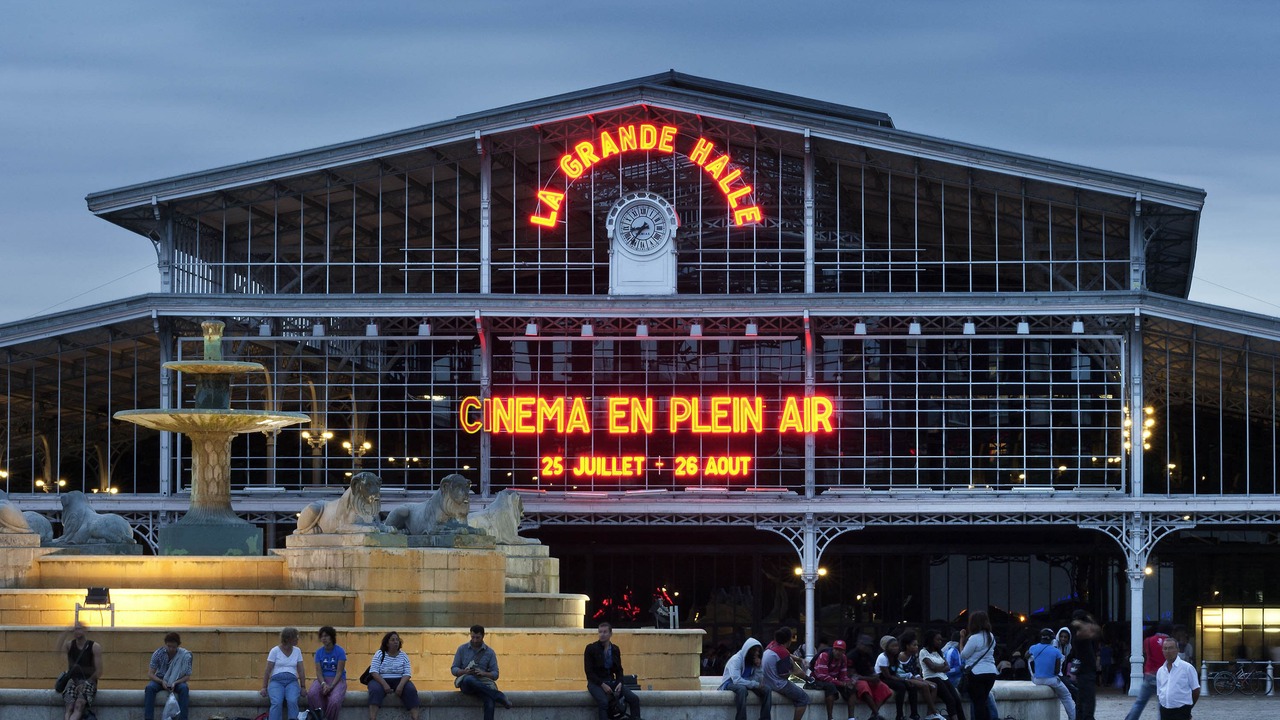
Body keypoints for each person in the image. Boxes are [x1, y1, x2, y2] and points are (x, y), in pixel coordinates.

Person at [452, 624, 512, 720]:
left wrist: (483, 673)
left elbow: (495, 674)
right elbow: (454, 669)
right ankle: (498, 696)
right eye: (473, 637)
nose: (475, 640)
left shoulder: (490, 652)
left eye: (477, 637)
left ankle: (493, 696)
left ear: (483, 636)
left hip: (483, 683)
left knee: (490, 702)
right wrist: (464, 671)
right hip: (467, 683)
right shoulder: (462, 649)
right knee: (469, 679)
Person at [585, 621, 641, 720]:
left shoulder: (615, 649)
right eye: (600, 632)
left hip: (611, 681)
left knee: (634, 699)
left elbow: (619, 670)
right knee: (603, 702)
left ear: (610, 634)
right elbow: (589, 672)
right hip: (596, 683)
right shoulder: (591, 648)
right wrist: (602, 684)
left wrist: (620, 682)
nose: (602, 634)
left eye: (605, 632)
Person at [367, 630, 421, 720]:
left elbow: (407, 673)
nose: (396, 642)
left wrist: (400, 686)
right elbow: (374, 671)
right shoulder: (380, 654)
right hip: (380, 679)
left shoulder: (403, 655)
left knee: (411, 690)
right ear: (387, 643)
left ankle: (415, 717)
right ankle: (373, 718)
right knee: (375, 690)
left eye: (397, 640)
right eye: (392, 640)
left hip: (399, 679)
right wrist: (384, 684)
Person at [1123, 623, 1171, 720]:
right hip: (1165, 676)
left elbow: (1147, 654)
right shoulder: (1171, 643)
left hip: (1150, 674)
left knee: (1140, 702)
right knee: (1163, 704)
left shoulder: (1148, 641)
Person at [1028, 627, 1076, 720]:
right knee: (1066, 696)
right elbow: (1057, 671)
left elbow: (1027, 655)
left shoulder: (1033, 648)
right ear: (1051, 639)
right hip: (1051, 680)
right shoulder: (1056, 651)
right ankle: (1073, 717)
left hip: (1037, 680)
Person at [58, 621, 102, 720]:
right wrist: (66, 631)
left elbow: (99, 671)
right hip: (73, 680)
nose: (77, 631)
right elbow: (58, 649)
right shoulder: (70, 645)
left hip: (88, 681)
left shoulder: (94, 647)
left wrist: (85, 683)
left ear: (85, 630)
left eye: (80, 628)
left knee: (79, 704)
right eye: (75, 629)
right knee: (69, 706)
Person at [762, 627, 809, 720]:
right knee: (804, 698)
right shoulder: (783, 653)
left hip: (766, 680)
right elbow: (784, 675)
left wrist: (799, 659)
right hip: (777, 683)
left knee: (801, 684)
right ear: (789, 640)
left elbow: (788, 654)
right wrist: (798, 672)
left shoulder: (772, 645)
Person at [719, 638, 771, 720]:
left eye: (758, 651)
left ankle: (765, 718)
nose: (756, 653)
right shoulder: (736, 659)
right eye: (754, 651)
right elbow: (736, 680)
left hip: (747, 683)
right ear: (748, 650)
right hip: (730, 683)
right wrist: (755, 684)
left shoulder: (753, 661)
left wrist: (758, 667)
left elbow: (758, 680)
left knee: (767, 690)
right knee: (742, 689)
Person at [144, 631, 192, 720]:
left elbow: (187, 676)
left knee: (184, 688)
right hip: (160, 679)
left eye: (173, 647)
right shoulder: (158, 654)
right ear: (165, 644)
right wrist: (162, 681)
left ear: (178, 645)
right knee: (149, 688)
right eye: (168, 646)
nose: (171, 649)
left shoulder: (184, 655)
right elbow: (150, 674)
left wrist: (175, 682)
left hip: (177, 680)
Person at [895, 631, 943, 720]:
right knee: (924, 685)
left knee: (934, 686)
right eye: (914, 645)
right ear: (907, 646)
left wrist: (919, 677)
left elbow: (914, 671)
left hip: (913, 677)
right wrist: (914, 678)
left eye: (917, 645)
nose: (917, 647)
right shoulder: (901, 656)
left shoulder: (913, 656)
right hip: (904, 679)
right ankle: (935, 711)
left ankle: (930, 713)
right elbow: (899, 673)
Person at [260, 627, 305, 720]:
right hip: (276, 681)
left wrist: (303, 687)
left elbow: (301, 670)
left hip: (292, 681)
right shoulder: (275, 651)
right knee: (277, 702)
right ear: (288, 638)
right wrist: (264, 687)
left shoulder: (297, 651)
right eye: (296, 637)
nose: (298, 639)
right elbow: (268, 670)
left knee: (292, 701)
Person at [959, 611, 998, 720]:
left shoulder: (974, 638)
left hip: (977, 673)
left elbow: (964, 655)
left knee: (978, 703)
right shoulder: (991, 636)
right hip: (991, 672)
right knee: (984, 700)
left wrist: (962, 639)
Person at [919, 630, 964, 720]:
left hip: (944, 677)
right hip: (932, 678)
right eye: (937, 640)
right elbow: (932, 667)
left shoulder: (939, 652)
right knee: (950, 699)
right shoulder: (923, 652)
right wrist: (941, 667)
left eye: (941, 640)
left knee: (957, 699)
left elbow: (947, 667)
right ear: (931, 640)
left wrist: (938, 667)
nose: (940, 642)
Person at [307, 626, 347, 720]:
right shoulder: (319, 652)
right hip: (323, 679)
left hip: (337, 680)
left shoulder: (340, 651)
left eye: (326, 636)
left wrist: (331, 686)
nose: (323, 638)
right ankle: (320, 716)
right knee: (312, 693)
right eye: (322, 636)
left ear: (332, 637)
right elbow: (318, 672)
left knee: (334, 701)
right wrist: (323, 684)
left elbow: (339, 672)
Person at [1155, 634, 1197, 720]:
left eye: (1171, 648)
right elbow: (1159, 692)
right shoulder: (1160, 671)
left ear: (1177, 650)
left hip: (1181, 710)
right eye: (1165, 648)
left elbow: (1196, 690)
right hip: (1164, 710)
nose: (1168, 651)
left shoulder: (1187, 668)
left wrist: (1188, 708)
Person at [850, 635, 893, 720]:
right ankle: (876, 714)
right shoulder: (852, 655)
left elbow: (872, 670)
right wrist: (869, 678)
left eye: (869, 646)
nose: (867, 648)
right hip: (857, 680)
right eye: (866, 645)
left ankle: (874, 714)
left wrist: (874, 676)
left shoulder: (868, 655)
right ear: (859, 644)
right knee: (864, 686)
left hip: (867, 678)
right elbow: (853, 676)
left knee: (885, 689)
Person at [1069, 609, 1102, 720]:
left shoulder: (1079, 635)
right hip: (1086, 672)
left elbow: (1094, 630)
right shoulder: (1080, 634)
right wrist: (1088, 619)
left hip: (1085, 672)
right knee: (1088, 701)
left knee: (1082, 700)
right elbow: (1093, 630)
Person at [812, 639, 855, 720]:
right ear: (833, 649)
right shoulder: (824, 655)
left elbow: (843, 675)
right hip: (818, 679)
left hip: (833, 680)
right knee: (831, 688)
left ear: (844, 652)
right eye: (836, 649)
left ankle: (851, 718)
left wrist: (848, 682)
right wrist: (840, 683)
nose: (838, 652)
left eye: (840, 650)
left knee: (852, 689)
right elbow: (822, 676)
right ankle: (830, 718)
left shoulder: (843, 658)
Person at [875, 635, 916, 720]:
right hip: (882, 678)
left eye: (896, 646)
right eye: (892, 646)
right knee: (901, 687)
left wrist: (905, 679)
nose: (895, 648)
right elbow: (887, 675)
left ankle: (914, 714)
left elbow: (895, 672)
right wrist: (903, 681)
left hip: (892, 677)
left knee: (912, 687)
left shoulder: (895, 656)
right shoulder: (883, 657)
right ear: (886, 647)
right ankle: (899, 715)